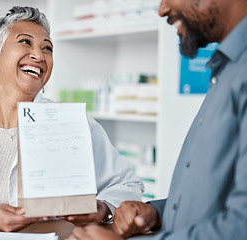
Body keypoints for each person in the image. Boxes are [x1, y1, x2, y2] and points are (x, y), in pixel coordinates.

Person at [0, 6, 144, 232]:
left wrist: (104, 208)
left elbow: (127, 185)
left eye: (47, 48)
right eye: (25, 42)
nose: (39, 55)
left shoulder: (74, 122)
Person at [66, 0, 247, 239]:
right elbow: (217, 196)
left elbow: (240, 225)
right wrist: (156, 212)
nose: (162, 9)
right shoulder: (228, 70)